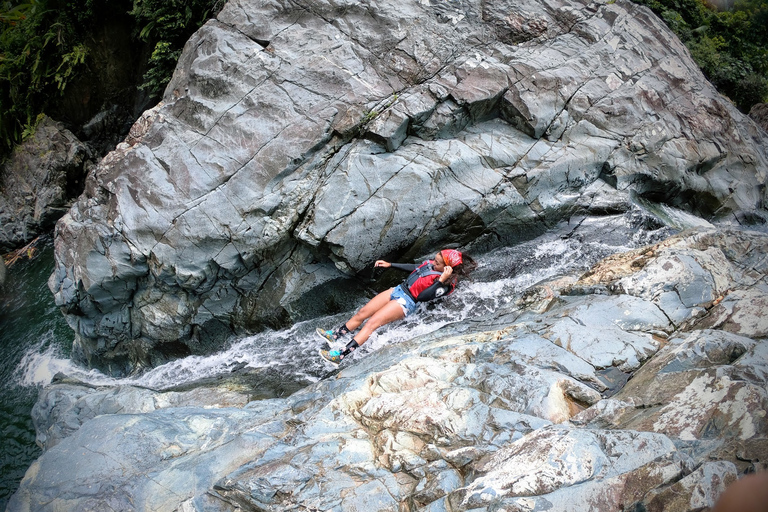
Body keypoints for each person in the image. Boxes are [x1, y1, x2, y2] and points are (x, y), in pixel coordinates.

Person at [318, 249, 473, 365]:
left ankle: (340, 355)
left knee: (371, 323)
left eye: (438, 263)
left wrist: (441, 280)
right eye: (435, 259)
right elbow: (416, 267)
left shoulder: (445, 285)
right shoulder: (432, 264)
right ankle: (336, 335)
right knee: (362, 312)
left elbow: (423, 297)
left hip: (407, 301)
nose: (433, 262)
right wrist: (390, 264)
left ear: (448, 268)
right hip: (398, 289)